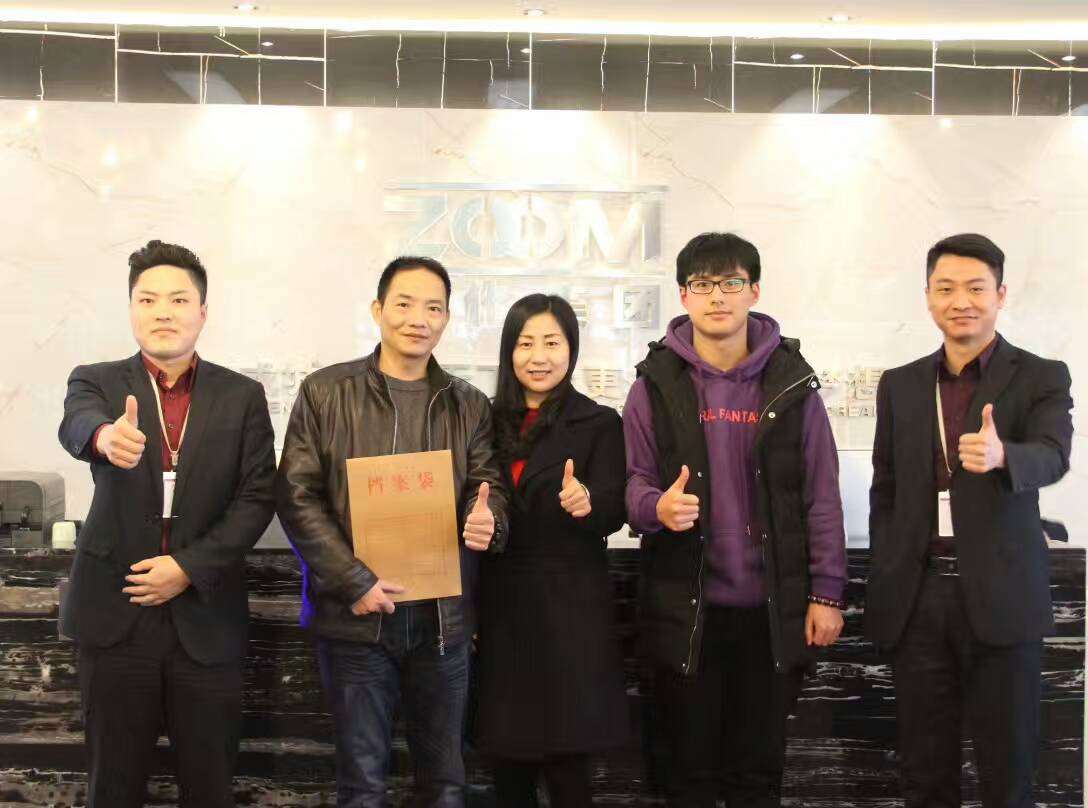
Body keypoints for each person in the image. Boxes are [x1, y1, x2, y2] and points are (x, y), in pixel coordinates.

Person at [623, 231, 847, 807]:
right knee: (688, 775)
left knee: (757, 773)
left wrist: (827, 593)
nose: (717, 296)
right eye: (702, 284)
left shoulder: (793, 385)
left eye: (731, 282)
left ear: (754, 291)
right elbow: (634, 484)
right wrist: (656, 508)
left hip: (772, 612)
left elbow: (821, 495)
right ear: (683, 295)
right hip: (686, 609)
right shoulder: (654, 385)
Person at [275, 255, 509, 808]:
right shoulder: (326, 392)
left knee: (446, 783)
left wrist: (489, 518)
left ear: (446, 319)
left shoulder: (469, 404)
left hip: (442, 624)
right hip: (355, 622)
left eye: (433, 308)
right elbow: (296, 495)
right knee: (362, 785)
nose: (418, 319)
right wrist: (354, 581)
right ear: (378, 310)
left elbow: (488, 485)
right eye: (404, 304)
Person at [58, 239, 277, 808]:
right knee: (112, 785)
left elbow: (257, 497)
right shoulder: (97, 381)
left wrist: (187, 567)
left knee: (209, 785)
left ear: (202, 312)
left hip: (205, 616)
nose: (163, 312)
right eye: (148, 299)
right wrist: (104, 437)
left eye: (178, 300)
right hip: (115, 615)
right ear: (131, 309)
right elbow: (77, 423)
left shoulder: (242, 396)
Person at [866, 233, 1074, 808]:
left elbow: (1054, 454)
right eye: (946, 288)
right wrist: (888, 565)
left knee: (1007, 775)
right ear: (928, 297)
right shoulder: (900, 384)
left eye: (976, 288)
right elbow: (885, 488)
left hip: (1004, 598)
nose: (961, 301)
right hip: (919, 599)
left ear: (1000, 295)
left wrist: (1006, 455)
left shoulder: (1041, 376)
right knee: (924, 774)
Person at [474, 294, 629, 806]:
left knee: (568, 766)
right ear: (508, 351)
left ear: (572, 349)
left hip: (570, 616)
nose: (538, 357)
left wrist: (588, 502)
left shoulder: (599, 422)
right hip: (500, 611)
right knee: (508, 764)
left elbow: (616, 509)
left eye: (552, 343)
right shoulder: (483, 420)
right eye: (525, 344)